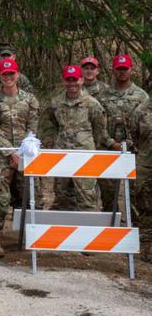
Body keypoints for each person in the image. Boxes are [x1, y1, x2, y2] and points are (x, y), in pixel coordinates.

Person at [0, 58, 39, 258]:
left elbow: (33, 128)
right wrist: (11, 152)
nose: (8, 77)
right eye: (4, 74)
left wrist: (24, 151)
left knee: (31, 195)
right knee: (0, 197)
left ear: (17, 75)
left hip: (26, 153)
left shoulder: (30, 99)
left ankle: (29, 236)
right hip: (0, 154)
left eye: (11, 74)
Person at [42, 65, 111, 211]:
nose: (72, 83)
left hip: (84, 155)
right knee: (62, 195)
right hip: (61, 155)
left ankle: (89, 231)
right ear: (63, 81)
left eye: (75, 79)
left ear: (81, 80)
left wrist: (88, 146)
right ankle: (66, 230)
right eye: (68, 80)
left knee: (87, 197)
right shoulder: (56, 103)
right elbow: (51, 125)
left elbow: (100, 131)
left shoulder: (92, 104)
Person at [97, 54, 148, 211]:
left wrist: (134, 144)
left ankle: (134, 225)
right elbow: (98, 124)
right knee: (108, 193)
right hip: (108, 149)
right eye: (118, 69)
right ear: (113, 71)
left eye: (125, 69)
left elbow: (145, 125)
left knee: (135, 192)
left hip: (134, 151)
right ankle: (111, 226)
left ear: (131, 70)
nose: (122, 72)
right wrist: (111, 143)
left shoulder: (141, 96)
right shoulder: (102, 96)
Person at [130, 94, 152, 262]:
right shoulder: (141, 110)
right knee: (143, 200)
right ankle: (145, 245)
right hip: (145, 161)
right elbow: (134, 135)